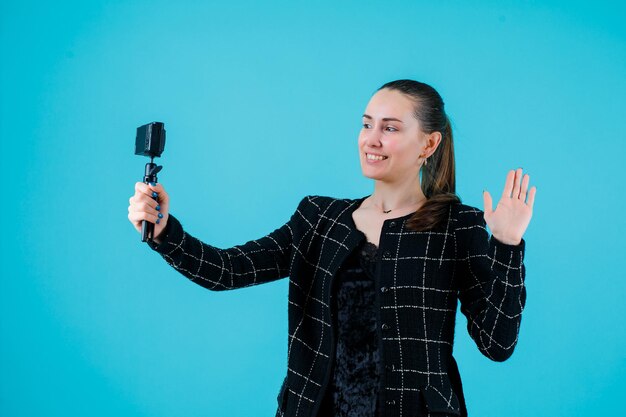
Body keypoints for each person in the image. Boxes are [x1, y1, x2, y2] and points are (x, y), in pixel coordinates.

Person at [127, 79, 536, 417]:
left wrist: (507, 243)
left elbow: (497, 343)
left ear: (428, 145)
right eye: (366, 124)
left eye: (390, 128)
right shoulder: (318, 219)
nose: (371, 140)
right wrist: (166, 232)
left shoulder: (456, 226)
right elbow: (228, 271)